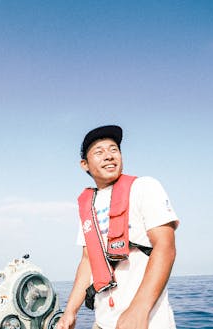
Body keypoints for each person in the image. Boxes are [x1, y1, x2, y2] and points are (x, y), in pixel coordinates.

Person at [57, 125, 179, 329]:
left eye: (114, 149)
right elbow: (88, 260)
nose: (108, 156)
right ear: (84, 164)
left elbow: (165, 247)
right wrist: (70, 312)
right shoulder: (88, 206)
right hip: (103, 322)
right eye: (99, 152)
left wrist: (138, 309)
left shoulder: (144, 187)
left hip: (147, 320)